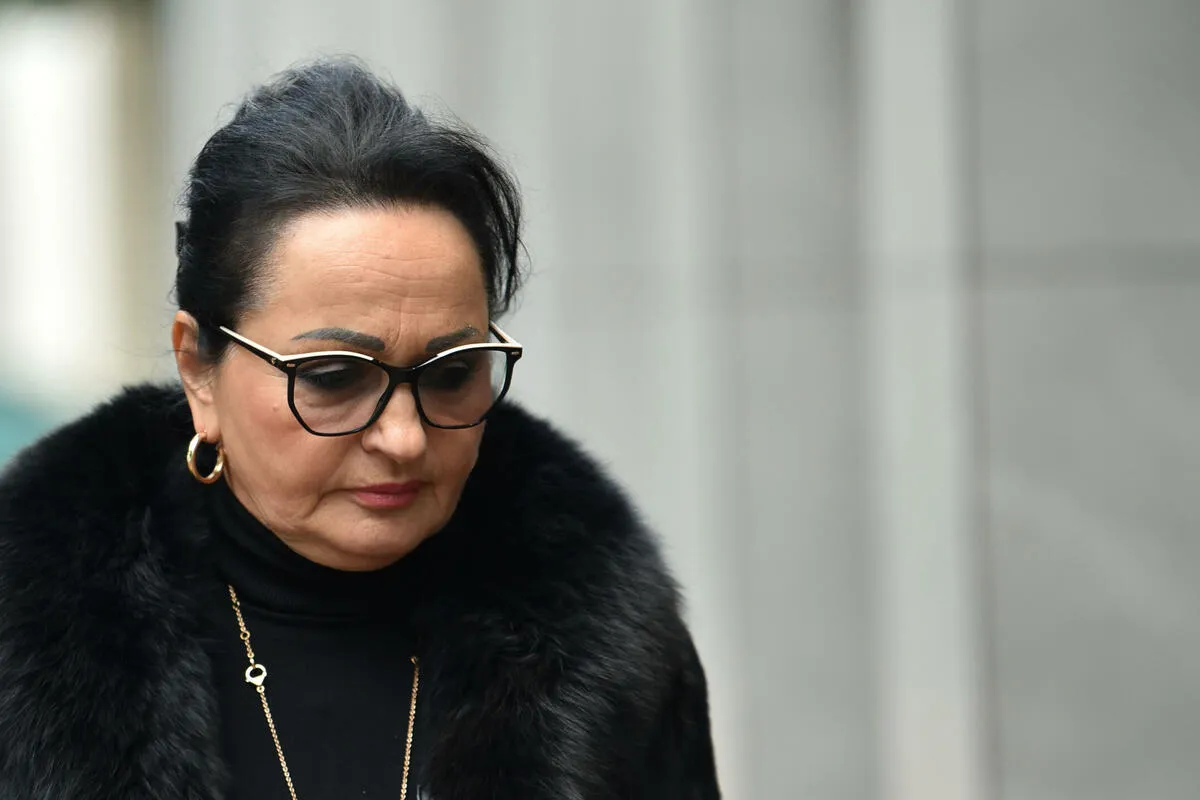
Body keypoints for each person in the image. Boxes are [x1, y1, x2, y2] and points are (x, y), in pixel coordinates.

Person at [0, 59, 720, 799]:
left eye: (451, 372)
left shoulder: (605, 646)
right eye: (332, 377)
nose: (404, 438)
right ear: (199, 371)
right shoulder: (29, 635)